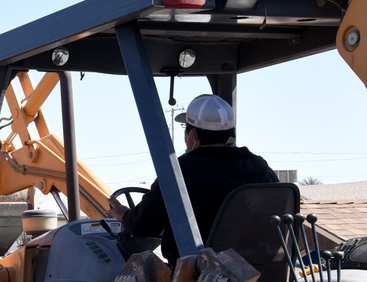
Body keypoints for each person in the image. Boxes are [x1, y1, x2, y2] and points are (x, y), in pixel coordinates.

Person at [108, 94, 279, 267]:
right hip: (258, 271)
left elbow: (144, 224)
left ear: (193, 136)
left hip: (198, 278)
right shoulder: (261, 168)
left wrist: (124, 215)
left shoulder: (178, 171)